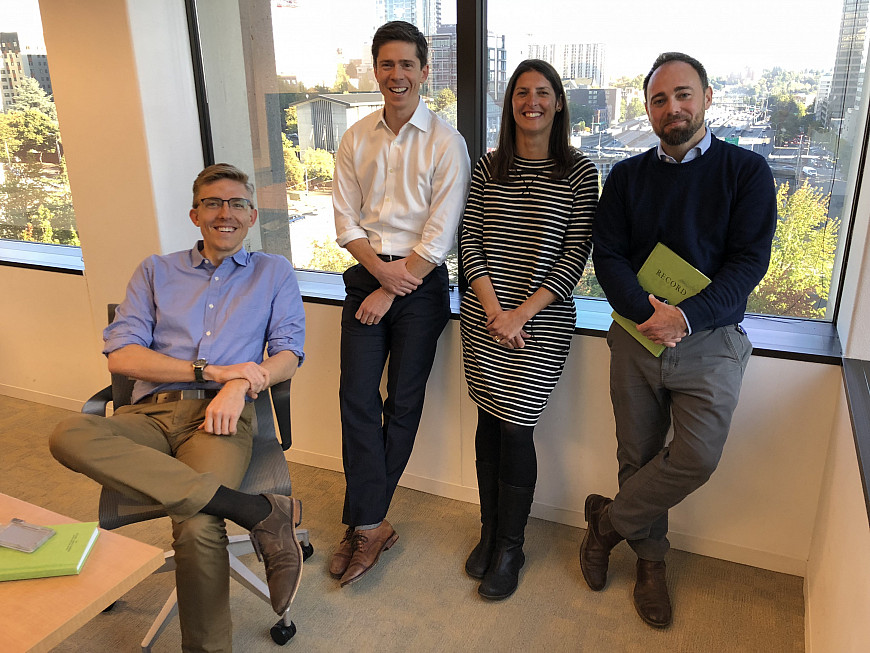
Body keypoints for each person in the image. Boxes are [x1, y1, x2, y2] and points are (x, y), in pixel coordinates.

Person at [49, 163, 307, 652]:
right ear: (195, 214)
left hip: (223, 417)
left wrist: (242, 382)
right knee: (68, 432)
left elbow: (288, 355)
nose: (224, 213)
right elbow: (122, 355)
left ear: (252, 215)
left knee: (196, 524)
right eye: (212, 203)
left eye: (235, 203)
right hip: (148, 413)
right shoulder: (155, 270)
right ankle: (254, 511)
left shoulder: (273, 272)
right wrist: (211, 372)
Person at [585, 52, 777, 627]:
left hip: (711, 341)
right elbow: (608, 254)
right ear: (648, 109)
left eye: (684, 95)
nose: (673, 107)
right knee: (637, 453)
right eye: (660, 99)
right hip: (637, 335)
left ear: (708, 98)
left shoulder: (746, 172)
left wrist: (685, 318)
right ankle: (650, 563)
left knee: (695, 457)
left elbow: (748, 265)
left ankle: (605, 524)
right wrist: (650, 313)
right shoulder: (625, 177)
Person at [330, 20, 470, 587]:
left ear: (424, 70)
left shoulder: (446, 141)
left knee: (402, 404)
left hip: (422, 286)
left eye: (406, 64)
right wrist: (380, 278)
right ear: (376, 69)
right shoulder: (355, 137)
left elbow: (441, 233)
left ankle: (365, 521)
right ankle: (371, 521)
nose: (396, 75)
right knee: (356, 399)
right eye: (386, 65)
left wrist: (395, 286)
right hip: (369, 274)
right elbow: (345, 219)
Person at [460, 59, 598, 600]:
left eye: (543, 93)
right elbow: (469, 241)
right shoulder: (489, 165)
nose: (531, 101)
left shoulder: (581, 172)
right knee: (488, 424)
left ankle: (512, 546)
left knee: (516, 428)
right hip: (484, 320)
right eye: (521, 92)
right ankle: (489, 531)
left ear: (559, 102)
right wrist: (497, 312)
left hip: (539, 327)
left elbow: (573, 259)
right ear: (510, 102)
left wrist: (521, 314)